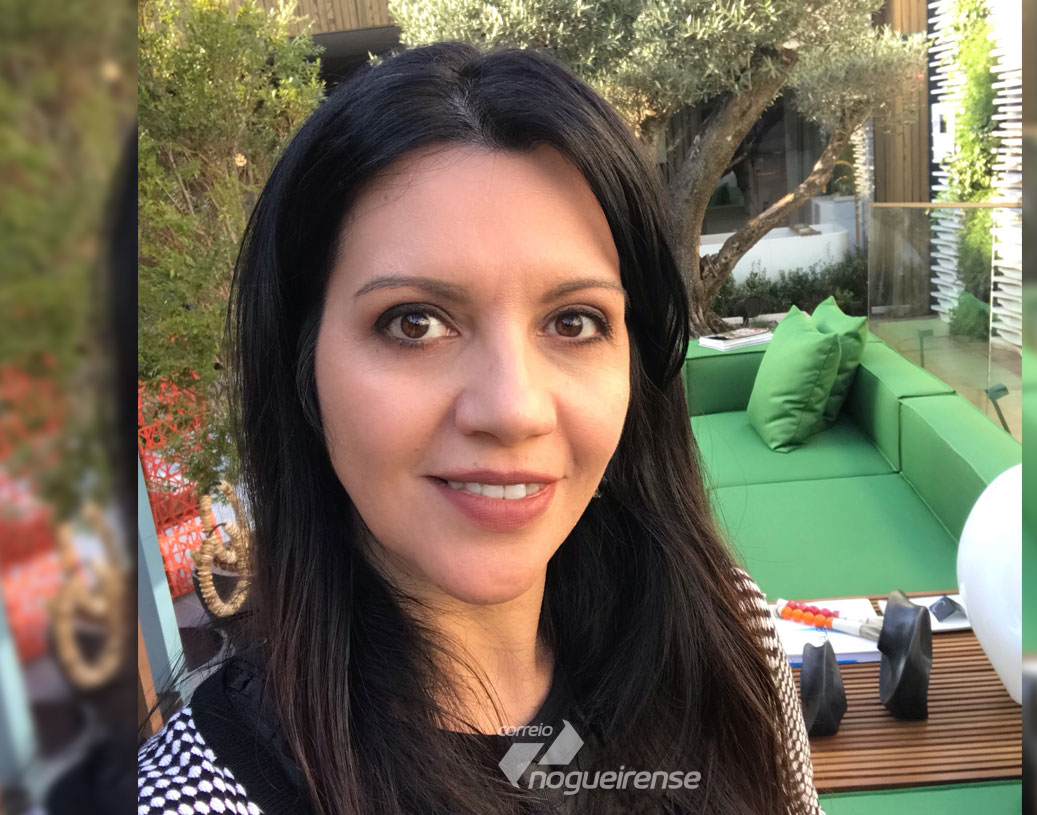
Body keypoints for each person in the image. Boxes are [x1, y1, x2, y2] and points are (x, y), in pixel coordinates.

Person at [137, 42, 822, 815]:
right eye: (414, 322)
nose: (513, 408)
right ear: (302, 366)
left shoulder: (724, 633)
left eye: (574, 320)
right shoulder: (195, 799)